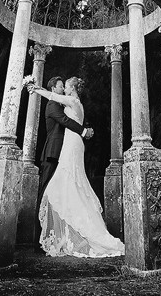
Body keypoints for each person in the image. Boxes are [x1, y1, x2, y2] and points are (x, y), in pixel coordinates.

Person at [28, 75, 125, 258]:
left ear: (72, 88)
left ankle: (67, 228)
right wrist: (84, 130)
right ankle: (64, 230)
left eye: (65, 86)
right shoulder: (77, 103)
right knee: (72, 183)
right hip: (74, 142)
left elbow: (53, 99)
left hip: (72, 143)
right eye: (61, 85)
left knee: (63, 182)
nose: (63, 88)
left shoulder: (70, 100)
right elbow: (66, 116)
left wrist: (34, 87)